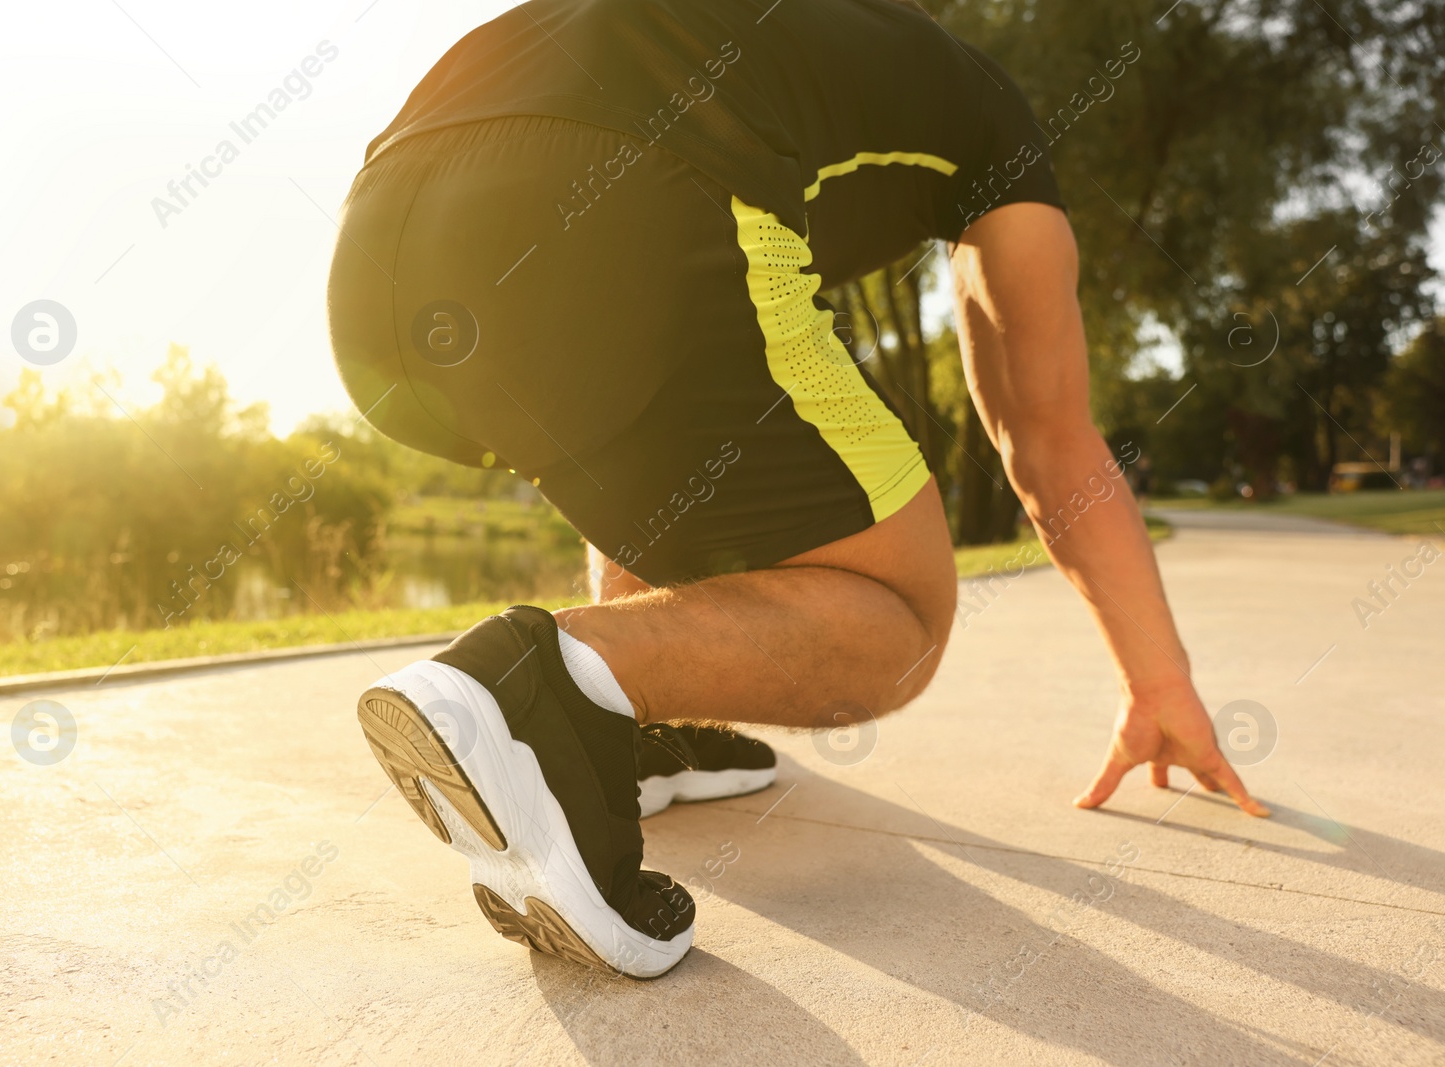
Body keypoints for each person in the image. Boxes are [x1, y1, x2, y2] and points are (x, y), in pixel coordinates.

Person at [326, 0, 1268, 979]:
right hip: (616, 200)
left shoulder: (739, 41)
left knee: (646, 423)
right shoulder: (982, 106)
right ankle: (534, 688)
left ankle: (637, 734)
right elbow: (1044, 434)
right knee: (899, 612)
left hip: (376, 271)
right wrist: (1159, 683)